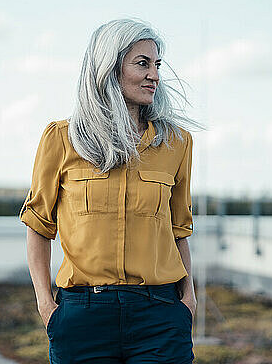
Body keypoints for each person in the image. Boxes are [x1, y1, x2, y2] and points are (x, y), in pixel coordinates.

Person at [19, 18, 204, 364]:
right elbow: (38, 227)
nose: (154, 75)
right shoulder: (62, 139)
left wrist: (188, 300)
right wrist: (46, 305)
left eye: (157, 65)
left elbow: (180, 229)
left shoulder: (177, 143)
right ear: (109, 67)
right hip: (82, 318)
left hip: (160, 317)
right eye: (142, 63)